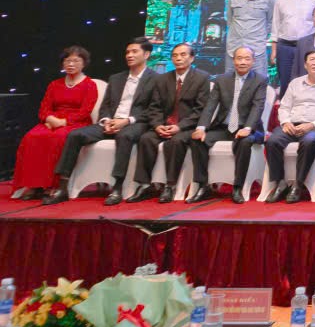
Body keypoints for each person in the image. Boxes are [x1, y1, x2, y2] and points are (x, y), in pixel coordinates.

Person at [46, 38, 157, 206]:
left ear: (146, 54)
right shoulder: (116, 78)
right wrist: (106, 121)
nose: (129, 55)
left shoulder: (156, 79)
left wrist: (126, 121)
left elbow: (153, 109)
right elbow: (105, 106)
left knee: (124, 136)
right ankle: (63, 187)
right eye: (127, 52)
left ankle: (117, 187)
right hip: (110, 122)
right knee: (75, 135)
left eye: (134, 51)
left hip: (135, 123)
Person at [128, 43, 211, 204]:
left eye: (183, 55)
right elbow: (154, 107)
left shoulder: (202, 78)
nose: (178, 58)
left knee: (175, 142)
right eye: (175, 55)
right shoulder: (162, 79)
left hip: (187, 126)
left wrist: (179, 127)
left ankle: (170, 185)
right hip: (164, 125)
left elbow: (200, 110)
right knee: (146, 139)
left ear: (192, 58)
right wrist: (157, 125)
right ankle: (144, 184)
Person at [13, 46, 98, 202]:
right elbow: (44, 108)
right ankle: (34, 184)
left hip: (76, 122)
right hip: (52, 121)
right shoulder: (54, 84)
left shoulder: (90, 85)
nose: (71, 64)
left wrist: (64, 122)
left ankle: (54, 185)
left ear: (84, 63)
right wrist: (49, 119)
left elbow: (85, 111)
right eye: (67, 60)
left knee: (58, 138)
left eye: (76, 61)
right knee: (32, 137)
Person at [186, 46, 268, 204]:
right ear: (233, 60)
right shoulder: (221, 79)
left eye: (247, 59)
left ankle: (237, 187)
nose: (242, 62)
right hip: (224, 127)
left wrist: (247, 128)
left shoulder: (260, 80)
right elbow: (210, 106)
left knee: (244, 142)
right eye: (239, 58)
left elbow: (258, 106)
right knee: (197, 140)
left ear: (253, 61)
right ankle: (203, 186)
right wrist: (201, 128)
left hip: (248, 128)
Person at [263, 49, 315, 203]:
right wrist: (286, 122)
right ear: (305, 65)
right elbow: (284, 107)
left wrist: (311, 125)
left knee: (309, 141)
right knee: (272, 141)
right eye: (312, 59)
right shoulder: (295, 83)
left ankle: (298, 184)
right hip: (292, 125)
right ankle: (280, 183)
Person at [271, 0, 315, 88]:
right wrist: (274, 50)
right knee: (285, 83)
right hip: (285, 46)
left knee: (307, 83)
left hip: (308, 47)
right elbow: (275, 25)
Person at [226, 0, 274, 77]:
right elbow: (229, 20)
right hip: (233, 49)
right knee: (229, 82)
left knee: (258, 82)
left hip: (257, 50)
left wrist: (260, 36)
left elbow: (271, 22)